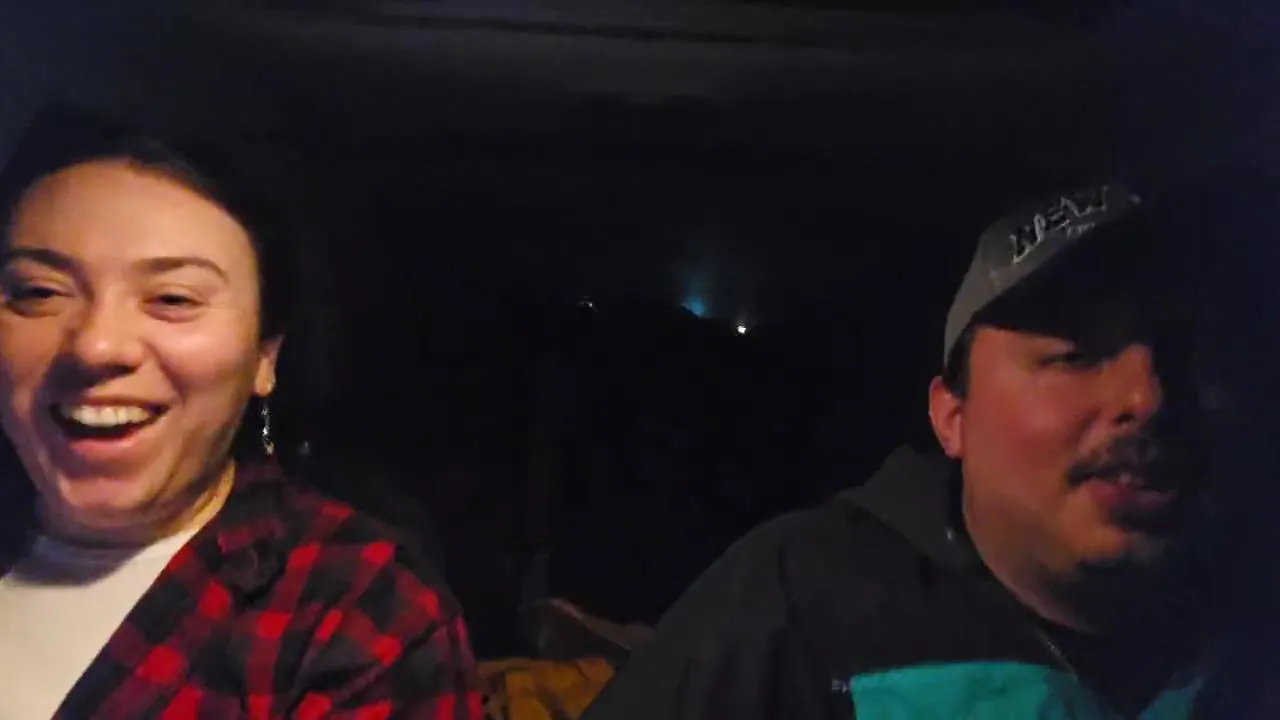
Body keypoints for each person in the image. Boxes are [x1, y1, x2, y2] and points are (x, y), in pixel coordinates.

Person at [581, 180, 1267, 719]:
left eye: (1183, 357)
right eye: (1073, 355)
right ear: (951, 417)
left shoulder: (1253, 619)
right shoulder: (800, 607)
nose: (1148, 397)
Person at [0, 105, 483, 718]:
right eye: (39, 292)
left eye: (173, 298)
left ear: (264, 357)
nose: (95, 346)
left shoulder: (357, 610)